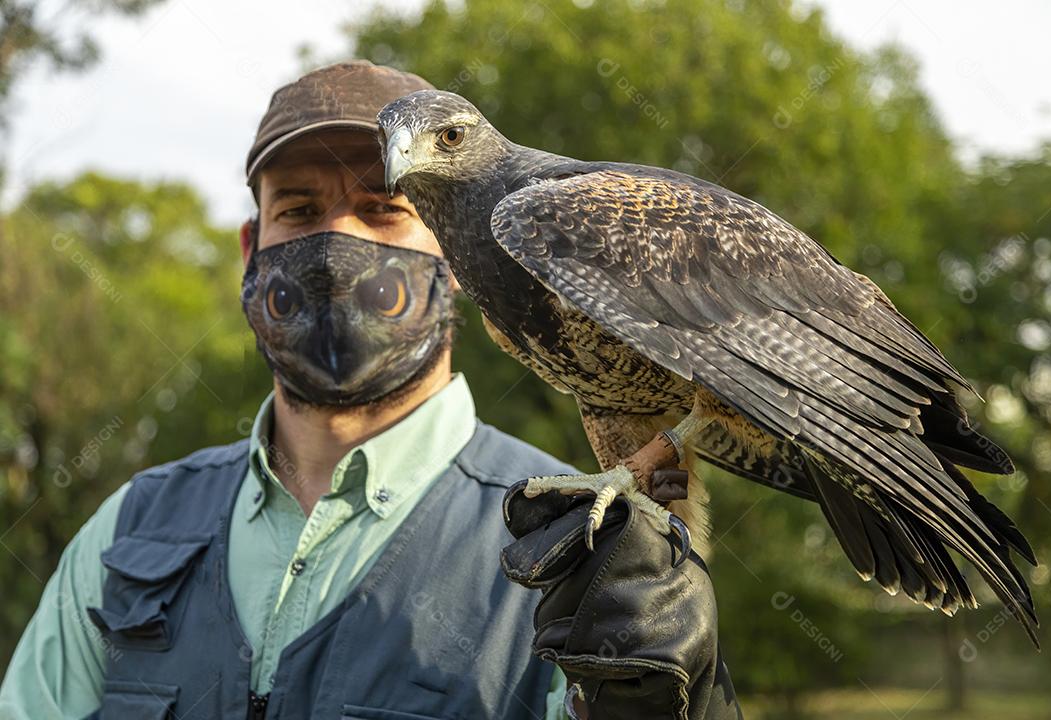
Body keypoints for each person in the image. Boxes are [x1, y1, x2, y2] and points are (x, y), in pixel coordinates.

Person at [0, 60, 738, 720]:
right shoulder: (127, 531)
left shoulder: (570, 532)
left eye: (384, 208)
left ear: (454, 255)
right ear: (251, 249)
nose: (336, 243)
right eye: (298, 208)